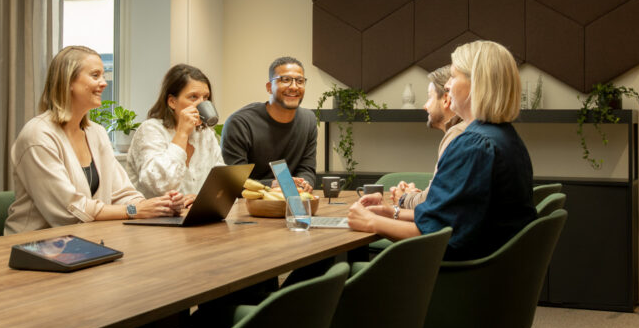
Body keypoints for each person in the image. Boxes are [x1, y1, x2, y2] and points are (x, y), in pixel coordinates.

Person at [347, 40, 536, 260]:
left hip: (461, 275)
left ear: (476, 84)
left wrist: (371, 222)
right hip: (496, 272)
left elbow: (436, 237)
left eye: (453, 76)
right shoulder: (505, 137)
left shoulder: (473, 145)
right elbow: (451, 218)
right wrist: (392, 212)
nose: (446, 85)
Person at [4, 46, 178, 235]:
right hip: (34, 243)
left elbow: (122, 193)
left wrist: (159, 206)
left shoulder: (97, 133)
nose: (103, 83)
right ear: (68, 81)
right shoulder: (38, 136)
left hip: (85, 237)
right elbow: (69, 211)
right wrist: (133, 210)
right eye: (95, 76)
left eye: (103, 75)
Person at [127, 64, 225, 200]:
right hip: (155, 212)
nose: (201, 103)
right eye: (193, 97)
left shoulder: (205, 133)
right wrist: (182, 133)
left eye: (205, 97)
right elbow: (161, 185)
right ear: (172, 102)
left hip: (194, 211)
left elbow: (220, 180)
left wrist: (200, 198)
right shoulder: (150, 130)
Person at [221, 56, 316, 191]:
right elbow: (235, 182)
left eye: (300, 81)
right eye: (285, 80)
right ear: (269, 87)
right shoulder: (240, 123)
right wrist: (273, 184)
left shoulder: (308, 120)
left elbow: (307, 169)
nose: (294, 87)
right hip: (249, 201)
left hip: (292, 199)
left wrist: (303, 183)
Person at [391, 65, 467, 209]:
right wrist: (414, 195)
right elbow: (439, 196)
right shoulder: (465, 131)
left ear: (446, 99)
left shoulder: (458, 135)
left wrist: (403, 198)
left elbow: (433, 201)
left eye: (429, 97)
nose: (425, 106)